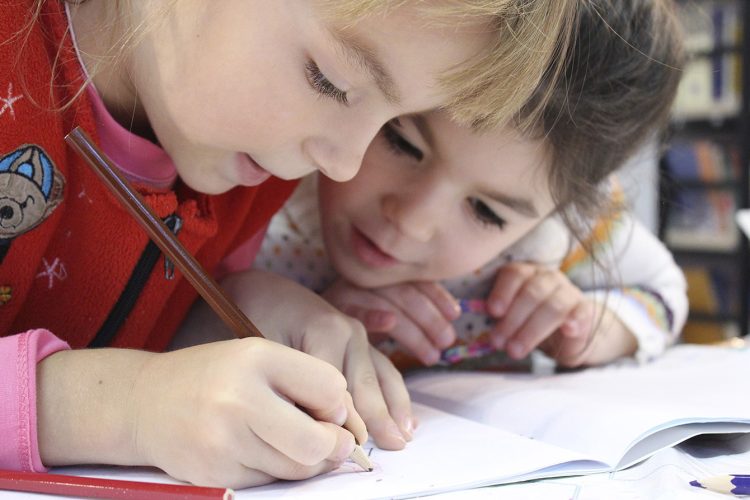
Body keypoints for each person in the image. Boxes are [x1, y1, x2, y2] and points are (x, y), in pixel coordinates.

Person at [0, 0, 578, 489]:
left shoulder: (249, 166)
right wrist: (128, 408)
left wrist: (230, 313)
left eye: (392, 121)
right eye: (333, 81)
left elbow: (117, 326)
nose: (345, 164)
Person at [254, 0, 688, 370]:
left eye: (486, 212)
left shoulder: (558, 239)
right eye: (401, 143)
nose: (412, 221)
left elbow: (664, 291)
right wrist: (290, 319)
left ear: (562, 211)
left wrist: (595, 325)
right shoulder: (266, 176)